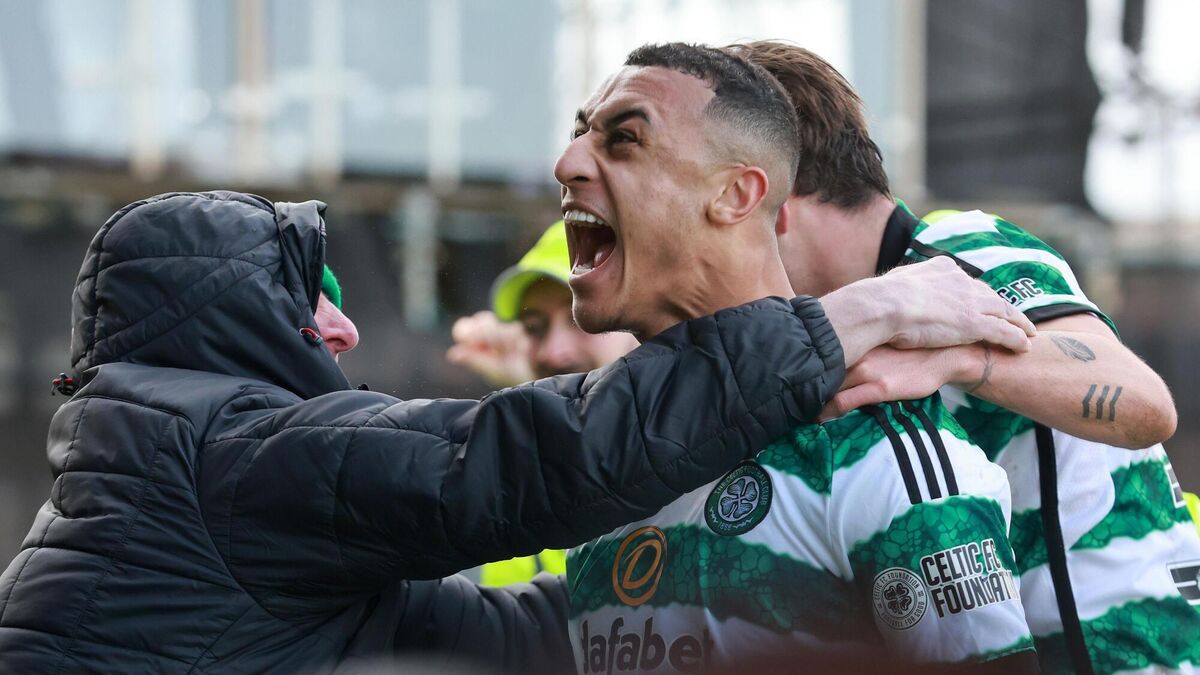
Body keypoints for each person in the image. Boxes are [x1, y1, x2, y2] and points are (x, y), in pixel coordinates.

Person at [0, 190, 1024, 672]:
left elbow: (481, 637)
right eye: (308, 298)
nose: (345, 329)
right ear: (217, 316)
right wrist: (843, 321)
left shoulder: (160, 472)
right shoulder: (232, 458)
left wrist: (712, 569)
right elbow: (542, 457)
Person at [558, 43, 1039, 672]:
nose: (567, 163)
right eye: (578, 136)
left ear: (737, 194)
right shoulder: (602, 456)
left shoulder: (872, 452)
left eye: (624, 139)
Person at [730, 40, 1200, 674]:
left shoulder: (957, 248)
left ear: (769, 199)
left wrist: (960, 359)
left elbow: (1144, 402)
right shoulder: (827, 323)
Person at [448, 221, 639, 587]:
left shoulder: (704, 448)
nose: (554, 352)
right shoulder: (520, 476)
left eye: (580, 318)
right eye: (534, 327)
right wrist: (525, 397)